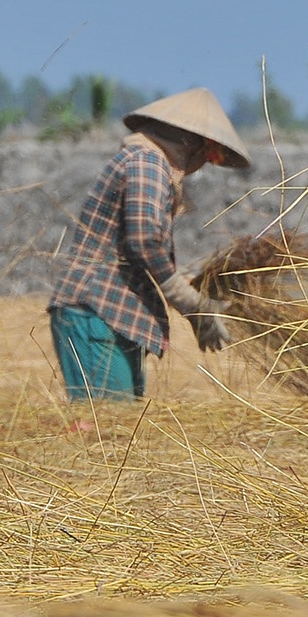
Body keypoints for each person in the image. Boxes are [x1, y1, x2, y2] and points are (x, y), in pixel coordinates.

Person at [46, 87, 252, 401]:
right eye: (211, 154)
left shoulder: (147, 164)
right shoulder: (148, 163)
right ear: (193, 144)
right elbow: (144, 240)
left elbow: (141, 249)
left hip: (111, 315)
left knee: (122, 428)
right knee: (107, 431)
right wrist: (189, 301)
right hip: (95, 313)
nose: (206, 164)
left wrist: (195, 303)